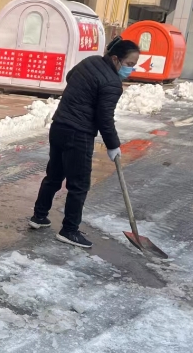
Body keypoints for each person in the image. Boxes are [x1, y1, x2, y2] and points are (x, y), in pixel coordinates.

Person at [28, 37, 140, 249]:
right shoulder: (112, 83)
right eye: (129, 64)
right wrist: (113, 145)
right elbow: (104, 118)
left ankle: (39, 216)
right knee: (79, 185)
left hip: (59, 126)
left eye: (134, 65)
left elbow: (70, 76)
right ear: (115, 59)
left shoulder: (90, 61)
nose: (131, 69)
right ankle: (69, 230)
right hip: (78, 134)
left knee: (54, 176)